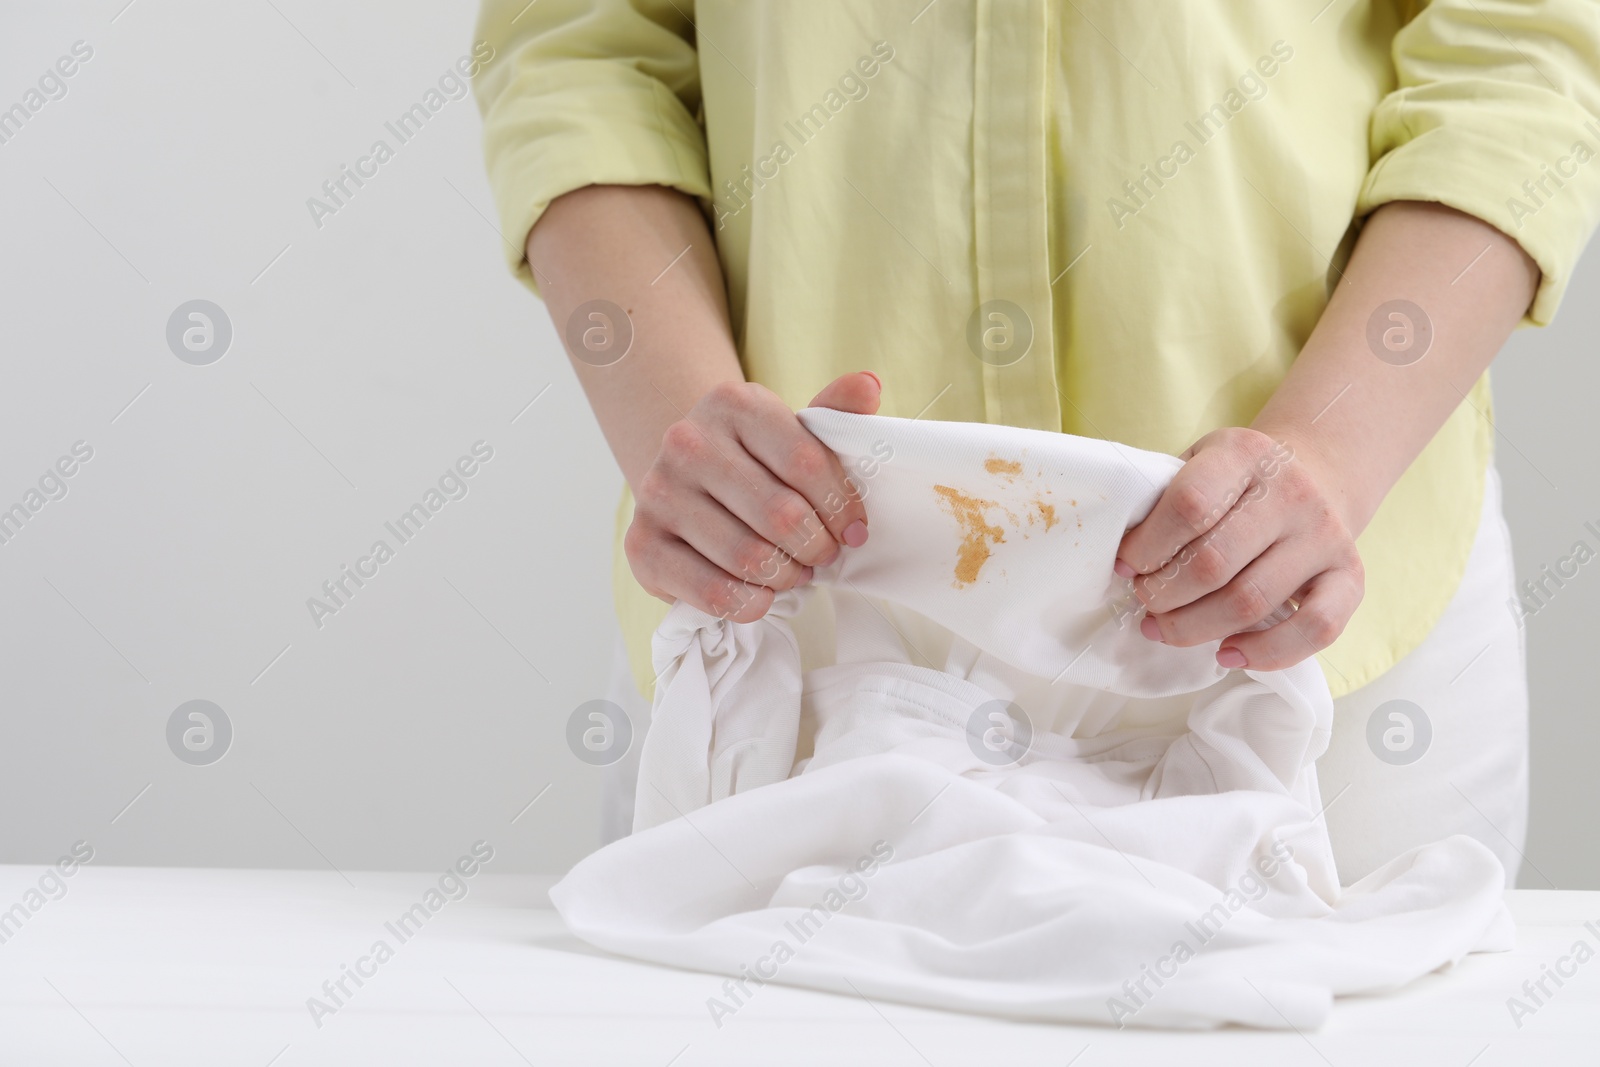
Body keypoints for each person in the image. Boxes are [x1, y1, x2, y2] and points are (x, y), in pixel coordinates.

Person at [472, 1, 1600, 884]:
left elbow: (1520, 51)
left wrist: (1334, 450)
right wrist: (684, 421)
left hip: (1318, 619)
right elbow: (579, 46)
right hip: (786, 619)